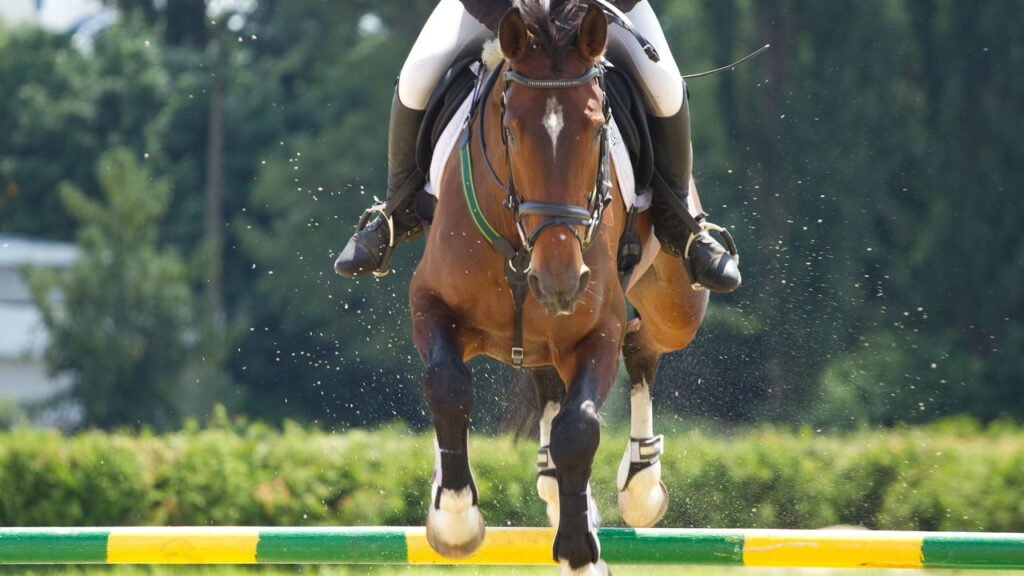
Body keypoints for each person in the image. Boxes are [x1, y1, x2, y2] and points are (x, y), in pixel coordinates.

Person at [334, 0, 741, 293]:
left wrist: (580, 20)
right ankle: (394, 214)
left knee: (665, 87)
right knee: (417, 76)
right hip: (499, 11)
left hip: (599, 11)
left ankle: (681, 226)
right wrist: (514, 24)